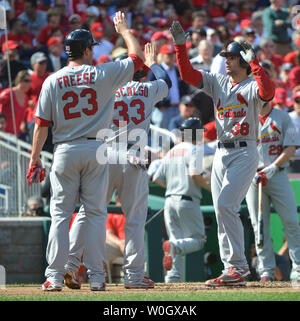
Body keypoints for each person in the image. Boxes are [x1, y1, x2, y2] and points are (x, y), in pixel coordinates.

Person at [26, 11, 145, 292]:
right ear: (88, 49)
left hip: (65, 148)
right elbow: (138, 58)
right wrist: (125, 31)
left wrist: (34, 159)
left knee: (60, 215)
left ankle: (54, 276)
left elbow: (41, 126)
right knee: (95, 213)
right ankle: (96, 277)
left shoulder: (52, 80)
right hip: (96, 148)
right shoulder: (103, 72)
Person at [169, 21, 275, 287]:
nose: (226, 61)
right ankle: (233, 269)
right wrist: (181, 46)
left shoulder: (251, 84)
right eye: (225, 57)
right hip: (221, 152)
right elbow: (188, 75)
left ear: (242, 59)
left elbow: (268, 93)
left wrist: (256, 64)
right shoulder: (217, 81)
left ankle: (238, 266)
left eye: (231, 57)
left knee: (227, 204)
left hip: (244, 149)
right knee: (221, 209)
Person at [65, 42, 171, 289]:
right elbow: (167, 81)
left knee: (87, 212)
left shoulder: (104, 88)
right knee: (134, 219)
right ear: (142, 72)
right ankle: (134, 276)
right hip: (132, 157)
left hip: (102, 155)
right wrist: (154, 61)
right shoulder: (148, 88)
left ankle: (69, 265)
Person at [245, 101, 300, 283]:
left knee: (291, 221)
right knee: (259, 226)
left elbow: (291, 147)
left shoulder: (284, 117)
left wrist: (273, 168)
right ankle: (266, 270)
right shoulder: (246, 116)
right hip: (253, 177)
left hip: (277, 174)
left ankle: (298, 267)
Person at [152, 117, 211, 283]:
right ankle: (175, 248)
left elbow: (156, 178)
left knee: (175, 238)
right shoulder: (195, 150)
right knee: (198, 240)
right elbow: (194, 174)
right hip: (187, 200)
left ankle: (172, 277)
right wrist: (210, 189)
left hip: (169, 200)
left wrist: (173, 187)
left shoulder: (172, 151)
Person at [0, 70, 31, 137]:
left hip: (15, 136)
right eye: (26, 80)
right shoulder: (9, 93)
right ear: (19, 80)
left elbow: (22, 115)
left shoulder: (26, 98)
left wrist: (23, 123)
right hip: (3, 135)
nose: (29, 83)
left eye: (30, 81)